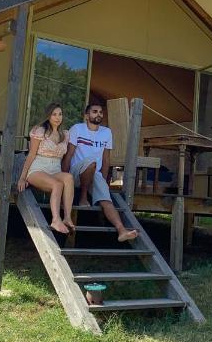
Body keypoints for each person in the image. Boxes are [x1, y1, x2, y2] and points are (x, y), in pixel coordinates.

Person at [62, 102, 138, 243]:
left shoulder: (106, 132)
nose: (98, 114)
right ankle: (83, 197)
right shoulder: (77, 129)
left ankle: (121, 231)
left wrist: (103, 181)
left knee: (106, 200)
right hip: (76, 174)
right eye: (94, 111)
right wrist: (62, 177)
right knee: (91, 162)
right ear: (86, 115)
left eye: (101, 112)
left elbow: (106, 159)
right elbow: (69, 155)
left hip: (94, 173)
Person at [17, 102, 75, 235]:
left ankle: (67, 217)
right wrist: (22, 177)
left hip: (55, 169)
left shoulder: (65, 134)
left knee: (69, 177)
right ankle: (55, 219)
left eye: (60, 114)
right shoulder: (40, 131)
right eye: (54, 114)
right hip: (38, 169)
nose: (57, 117)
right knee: (57, 184)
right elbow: (31, 155)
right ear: (48, 115)